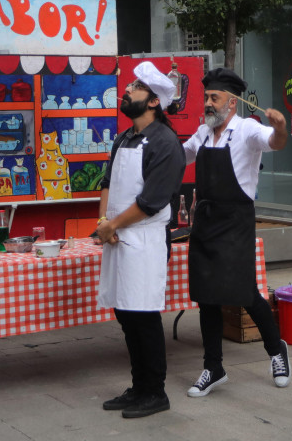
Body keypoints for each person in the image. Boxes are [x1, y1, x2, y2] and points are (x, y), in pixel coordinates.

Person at [182, 67, 290, 398]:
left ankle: (276, 351)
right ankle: (213, 368)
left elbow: (275, 142)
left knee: (244, 293)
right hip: (205, 222)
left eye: (214, 98)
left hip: (235, 223)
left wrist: (281, 127)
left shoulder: (248, 129)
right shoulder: (202, 132)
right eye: (206, 98)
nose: (208, 104)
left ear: (232, 103)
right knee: (206, 296)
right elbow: (179, 155)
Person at [95, 61, 186, 419]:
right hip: (118, 236)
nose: (127, 90)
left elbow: (151, 203)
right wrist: (105, 222)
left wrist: (113, 224)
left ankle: (156, 392)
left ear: (152, 102)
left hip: (145, 240)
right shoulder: (126, 136)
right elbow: (107, 182)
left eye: (135, 86)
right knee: (125, 312)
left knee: (144, 315)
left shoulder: (165, 143)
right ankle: (139, 387)